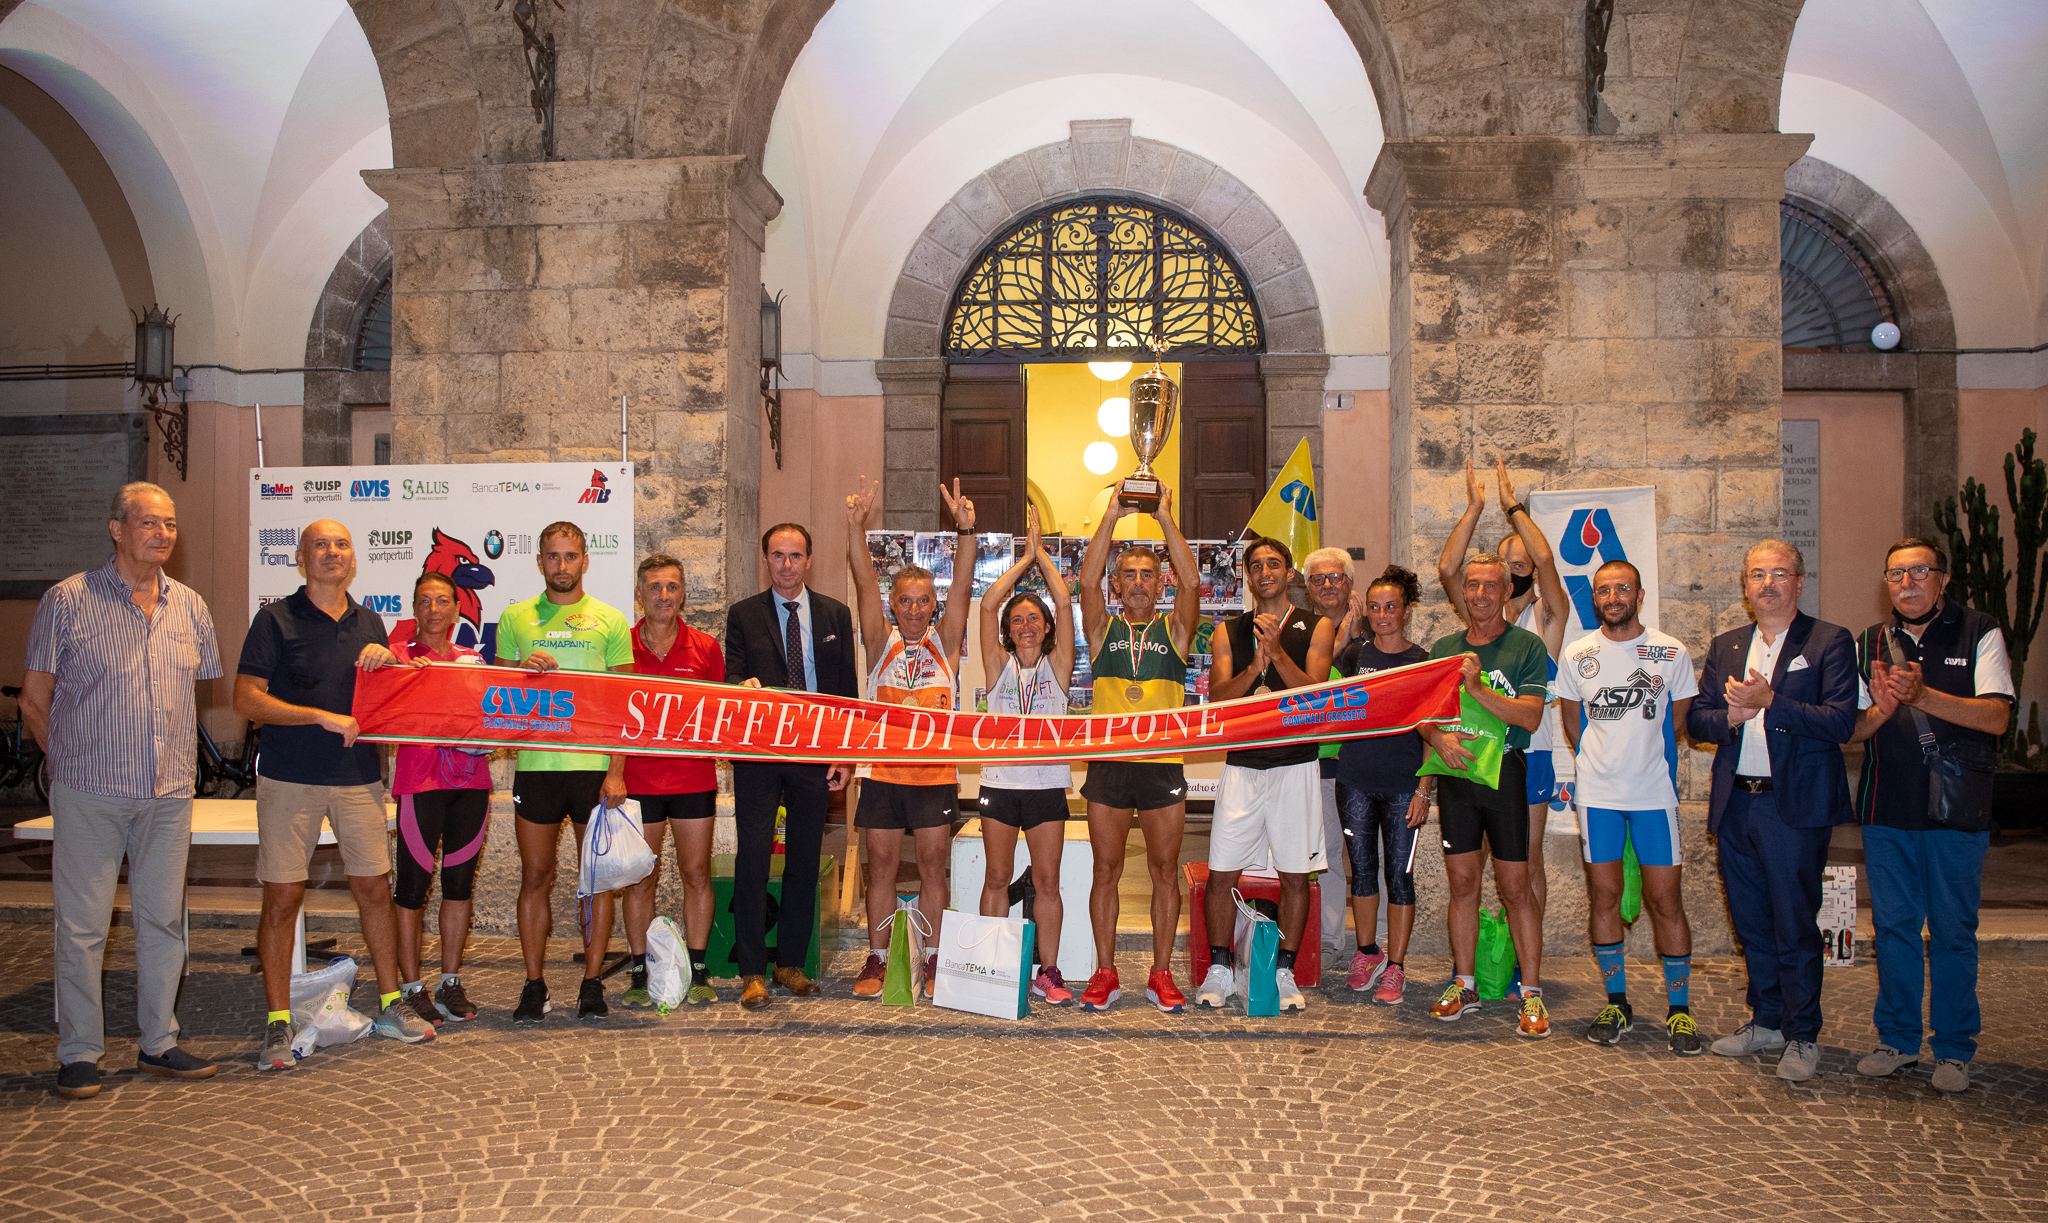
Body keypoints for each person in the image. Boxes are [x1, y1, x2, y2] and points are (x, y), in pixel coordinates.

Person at [23, 483, 224, 1099]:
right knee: (82, 928)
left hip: (168, 793)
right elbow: (34, 700)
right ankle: (80, 1052)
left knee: (163, 922)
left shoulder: (191, 606)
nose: (163, 534)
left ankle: (158, 1042)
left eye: (170, 524)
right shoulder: (67, 600)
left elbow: (193, 697)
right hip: (90, 791)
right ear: (117, 529)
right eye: (149, 523)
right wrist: (69, 769)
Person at [236, 519, 435, 1070]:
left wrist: (395, 667)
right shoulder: (274, 619)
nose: (331, 553)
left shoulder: (370, 622)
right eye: (319, 545)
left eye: (341, 544)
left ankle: (391, 1004)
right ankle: (278, 1021)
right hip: (288, 776)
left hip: (357, 777)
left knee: (374, 890)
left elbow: (384, 703)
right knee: (282, 897)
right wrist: (318, 716)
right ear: (301, 559)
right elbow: (246, 699)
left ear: (353, 558)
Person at [1686, 540, 1858, 1083]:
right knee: (1752, 922)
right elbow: (1699, 721)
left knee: (1794, 923)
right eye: (1757, 574)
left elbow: (1840, 722)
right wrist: (1732, 717)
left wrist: (1770, 703)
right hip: (1737, 802)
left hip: (1794, 806)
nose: (1768, 583)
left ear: (1799, 582)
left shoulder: (1829, 641)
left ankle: (1803, 1033)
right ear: (1745, 586)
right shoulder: (1728, 645)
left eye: (1779, 573)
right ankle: (1766, 1021)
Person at [1848, 538, 2010, 1094]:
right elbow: (1854, 730)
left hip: (1956, 809)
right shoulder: (1870, 641)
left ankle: (1954, 1049)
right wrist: (1882, 709)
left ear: (1943, 579)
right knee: (1892, 929)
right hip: (1886, 806)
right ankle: (1897, 1041)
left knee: (1952, 931)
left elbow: (1996, 717)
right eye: (1896, 574)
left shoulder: (1979, 629)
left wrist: (1923, 697)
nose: (1907, 583)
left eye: (1920, 571)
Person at [1553, 559, 1701, 1055]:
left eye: (1622, 589)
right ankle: (1617, 1003)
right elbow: (1573, 724)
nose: (1613, 597)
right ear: (1594, 598)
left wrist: (1638, 758)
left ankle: (1679, 1010)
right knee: (1604, 897)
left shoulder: (1670, 651)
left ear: (1639, 596)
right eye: (1603, 590)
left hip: (1653, 796)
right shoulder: (1577, 654)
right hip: (1598, 799)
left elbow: (1676, 721)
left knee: (1665, 901)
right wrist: (1605, 763)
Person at [494, 521, 636, 1023]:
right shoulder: (514, 617)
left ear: (585, 560)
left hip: (593, 771)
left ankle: (592, 983)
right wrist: (519, 672)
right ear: (539, 561)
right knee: (535, 876)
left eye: (570, 556)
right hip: (536, 768)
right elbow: (493, 697)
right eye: (552, 556)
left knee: (595, 880)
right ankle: (534, 985)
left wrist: (616, 771)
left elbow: (624, 705)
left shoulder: (610, 620)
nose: (561, 565)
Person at [1438, 457, 1570, 986]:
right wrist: (1474, 507)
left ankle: (1520, 969)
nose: (1511, 573)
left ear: (1520, 580)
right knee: (1468, 873)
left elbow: (1547, 559)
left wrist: (1513, 507)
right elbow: (1449, 569)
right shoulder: (1471, 614)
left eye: (1519, 567)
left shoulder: (1544, 623)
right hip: (1472, 757)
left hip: (1526, 754)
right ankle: (1473, 967)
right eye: (1504, 565)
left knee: (1524, 866)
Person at [844, 475, 975, 1000]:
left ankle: (935, 956)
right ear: (893, 605)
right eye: (906, 601)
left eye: (923, 601)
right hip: (882, 775)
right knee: (879, 867)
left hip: (934, 776)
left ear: (934, 606)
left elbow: (963, 586)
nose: (915, 609)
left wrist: (966, 532)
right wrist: (856, 529)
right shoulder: (881, 643)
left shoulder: (946, 643)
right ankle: (877, 959)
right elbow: (862, 582)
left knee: (932, 869)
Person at [1075, 487, 1203, 1013]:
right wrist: (1110, 515)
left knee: (1164, 870)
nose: (1137, 583)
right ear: (1116, 584)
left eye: (1147, 574)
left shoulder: (1175, 630)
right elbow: (1084, 582)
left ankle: (1160, 973)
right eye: (1128, 575)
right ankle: (1105, 972)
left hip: (1160, 764)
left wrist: (1166, 519)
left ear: (1160, 582)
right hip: (1109, 764)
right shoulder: (1101, 628)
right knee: (1104, 870)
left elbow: (1193, 582)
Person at [724, 521, 857, 1010]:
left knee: (804, 860)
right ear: (766, 560)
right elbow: (731, 675)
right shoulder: (743, 614)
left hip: (814, 754)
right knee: (753, 861)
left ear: (809, 560)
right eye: (778, 555)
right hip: (759, 754)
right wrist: (740, 687)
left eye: (795, 555)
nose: (787, 564)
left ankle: (791, 965)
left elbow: (846, 691)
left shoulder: (835, 614)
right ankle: (752, 972)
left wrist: (845, 753)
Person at [1193, 536, 1325, 1014]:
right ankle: (1220, 968)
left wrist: (1278, 653)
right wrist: (1257, 664)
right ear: (1246, 576)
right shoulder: (1229, 630)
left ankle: (1283, 971)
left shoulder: (1316, 626)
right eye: (1256, 566)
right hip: (1243, 766)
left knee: (1295, 874)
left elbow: (1318, 695)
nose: (1265, 572)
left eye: (1273, 564)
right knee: (1222, 871)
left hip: (1296, 764)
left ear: (1289, 572)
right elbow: (1220, 699)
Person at [1421, 551, 1550, 1037]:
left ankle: (1532, 992)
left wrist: (1476, 688)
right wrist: (1438, 739)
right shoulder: (1444, 648)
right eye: (1472, 585)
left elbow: (1530, 717)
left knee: (1515, 886)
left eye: (1490, 586)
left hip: (1506, 774)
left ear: (1507, 590)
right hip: (1457, 775)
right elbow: (1424, 715)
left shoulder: (1526, 646)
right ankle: (1465, 983)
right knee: (1462, 883)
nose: (1480, 594)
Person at [973, 505, 1077, 1005]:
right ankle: (994, 965)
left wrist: (1042, 555)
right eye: (1017, 620)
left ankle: (1049, 972)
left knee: (1047, 881)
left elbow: (1065, 599)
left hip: (1046, 786)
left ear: (1047, 627)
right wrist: (1023, 560)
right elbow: (985, 607)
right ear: (1009, 631)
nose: (1026, 625)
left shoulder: (1059, 666)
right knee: (996, 877)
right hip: (999, 784)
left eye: (1034, 618)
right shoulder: (999, 665)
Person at [386, 571, 493, 1028]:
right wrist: (382, 665)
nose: (434, 609)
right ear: (414, 608)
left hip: (471, 784)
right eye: (425, 601)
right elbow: (377, 702)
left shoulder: (473, 659)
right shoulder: (396, 657)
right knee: (412, 888)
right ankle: (411, 987)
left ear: (456, 609)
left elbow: (494, 714)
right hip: (420, 782)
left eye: (442, 601)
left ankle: (450, 981)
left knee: (459, 885)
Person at [618, 553, 724, 1009]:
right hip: (637, 781)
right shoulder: (620, 647)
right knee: (641, 879)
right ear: (639, 593)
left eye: (672, 587)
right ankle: (639, 972)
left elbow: (720, 712)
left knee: (696, 873)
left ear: (683, 594)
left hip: (692, 778)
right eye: (655, 587)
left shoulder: (705, 647)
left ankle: (698, 970)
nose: (664, 595)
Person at [1329, 566, 1431, 1006]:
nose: (1383, 615)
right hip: (1355, 779)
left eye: (1391, 607)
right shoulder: (1354, 654)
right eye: (1375, 607)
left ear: (1405, 611)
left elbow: (1434, 729)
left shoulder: (1422, 659)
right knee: (1363, 870)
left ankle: (1396, 966)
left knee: (1399, 876)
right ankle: (1367, 953)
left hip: (1404, 784)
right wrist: (1342, 637)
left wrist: (1425, 789)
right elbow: (1319, 688)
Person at [1300, 547, 1364, 974]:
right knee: (1324, 855)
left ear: (1350, 583)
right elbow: (1306, 692)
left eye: (1336, 577)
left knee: (1370, 855)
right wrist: (1337, 643)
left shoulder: (1377, 631)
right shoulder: (1300, 634)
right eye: (1318, 579)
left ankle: (1377, 943)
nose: (1327, 585)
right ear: (1308, 588)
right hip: (1319, 762)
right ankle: (1329, 939)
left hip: (1366, 762)